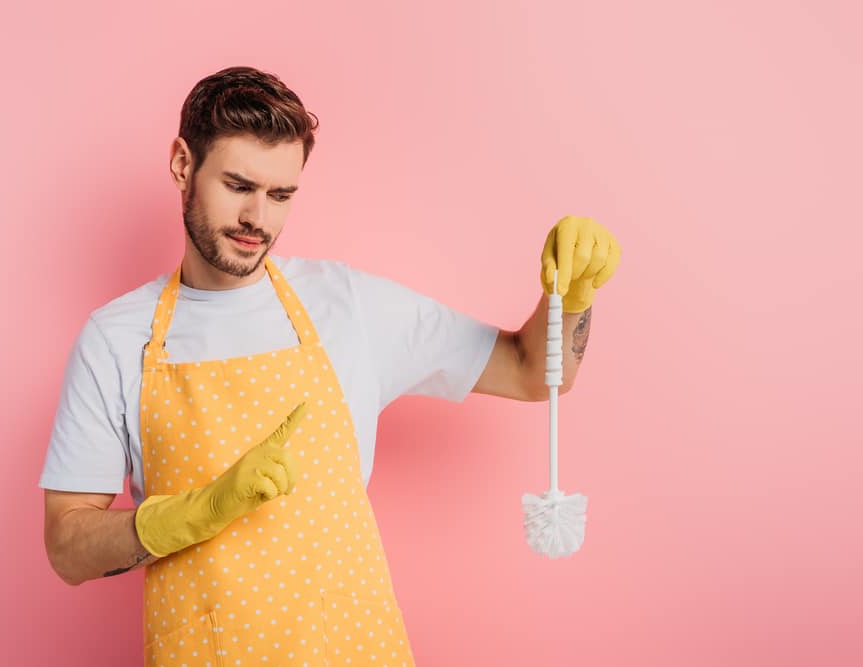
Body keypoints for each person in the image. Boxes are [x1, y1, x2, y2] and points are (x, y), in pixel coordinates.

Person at [38, 65, 621, 667]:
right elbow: (66, 546)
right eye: (238, 186)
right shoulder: (116, 339)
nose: (258, 219)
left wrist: (573, 296)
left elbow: (530, 369)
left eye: (281, 195)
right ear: (183, 164)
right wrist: (194, 512)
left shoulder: (348, 304)